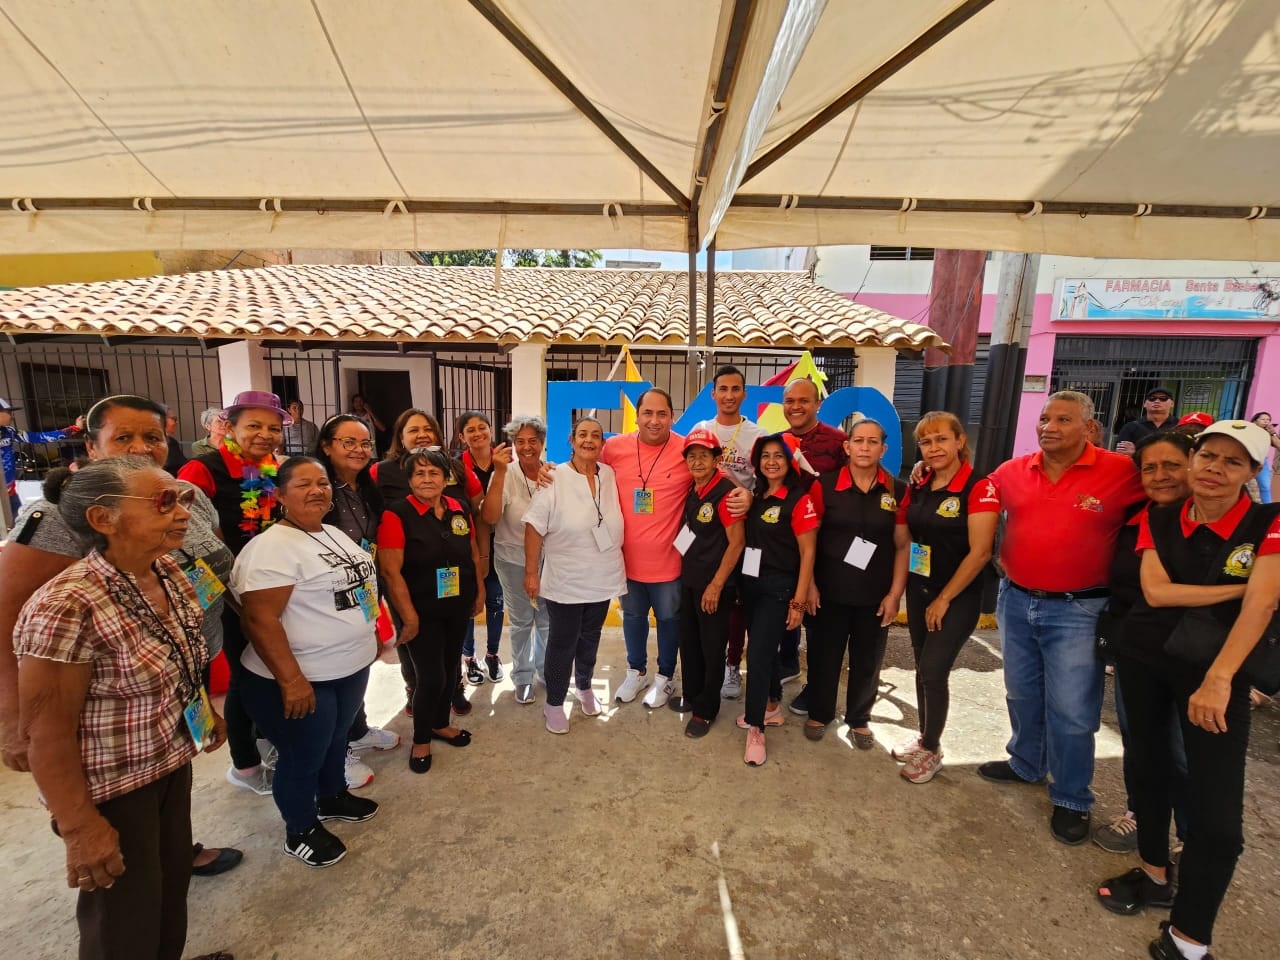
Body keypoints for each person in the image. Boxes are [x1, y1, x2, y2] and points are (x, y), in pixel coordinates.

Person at [0, 394, 242, 879]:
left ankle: (174, 852)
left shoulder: (185, 498)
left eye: (152, 437)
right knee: (120, 812)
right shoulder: (62, 516)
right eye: (123, 437)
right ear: (92, 447)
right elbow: (7, 615)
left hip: (176, 670)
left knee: (168, 788)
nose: (140, 447)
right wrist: (13, 720)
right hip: (108, 693)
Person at [15, 457, 231, 960]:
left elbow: (179, 655)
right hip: (113, 788)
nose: (183, 512)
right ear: (102, 518)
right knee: (125, 916)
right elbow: (46, 732)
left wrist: (204, 712)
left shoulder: (167, 571)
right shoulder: (66, 604)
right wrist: (79, 827)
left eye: (183, 499)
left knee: (170, 885)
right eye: (165, 501)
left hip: (168, 762)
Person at [1096, 420, 1280, 960]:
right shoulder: (1159, 517)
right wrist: (1238, 589)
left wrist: (1220, 679)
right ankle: (1154, 873)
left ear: (1252, 471)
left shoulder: (1268, 522)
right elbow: (1155, 591)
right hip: (1144, 659)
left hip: (1216, 674)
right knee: (1147, 770)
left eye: (1233, 461)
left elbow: (1263, 605)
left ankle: (1189, 937)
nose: (1215, 469)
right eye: (1208, 456)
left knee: (1216, 811)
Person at [980, 390, 1145, 845]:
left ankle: (1072, 797)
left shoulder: (1121, 472)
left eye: (1063, 420)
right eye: (1044, 418)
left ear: (1089, 428)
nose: (1049, 427)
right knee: (1021, 692)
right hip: (1016, 600)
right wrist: (922, 469)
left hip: (1080, 608)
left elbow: (1166, 497)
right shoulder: (1014, 471)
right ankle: (1026, 763)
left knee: (1072, 711)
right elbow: (975, 489)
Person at [232, 456, 381, 867]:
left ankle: (331, 796)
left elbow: (359, 588)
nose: (317, 491)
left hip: (348, 666)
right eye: (303, 484)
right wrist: (291, 680)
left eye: (322, 483)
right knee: (304, 754)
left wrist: (372, 633)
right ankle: (299, 829)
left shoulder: (332, 533)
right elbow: (259, 620)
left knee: (335, 739)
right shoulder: (271, 549)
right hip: (302, 675)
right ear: (280, 495)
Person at [179, 390, 291, 794]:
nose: (265, 435)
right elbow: (190, 540)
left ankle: (265, 741)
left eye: (273, 428)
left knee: (270, 669)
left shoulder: (272, 467)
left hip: (269, 584)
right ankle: (244, 765)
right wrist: (229, 594)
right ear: (229, 427)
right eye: (254, 426)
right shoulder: (202, 470)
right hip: (227, 593)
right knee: (246, 676)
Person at [1093, 432, 1194, 854]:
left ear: (1194, 464)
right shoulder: (1136, 515)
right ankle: (1141, 816)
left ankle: (1190, 837)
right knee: (1139, 742)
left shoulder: (1212, 522)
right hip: (1135, 650)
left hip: (1193, 656)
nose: (1160, 475)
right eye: (1149, 468)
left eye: (1171, 465)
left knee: (1185, 751)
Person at [894, 412, 1000, 783]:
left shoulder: (979, 487)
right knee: (922, 667)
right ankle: (925, 736)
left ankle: (932, 749)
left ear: (959, 441)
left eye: (941, 439)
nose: (933, 447)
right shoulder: (921, 482)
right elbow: (909, 533)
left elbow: (981, 552)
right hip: (920, 588)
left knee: (934, 669)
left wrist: (944, 599)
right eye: (926, 441)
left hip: (957, 597)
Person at [803, 420, 909, 749]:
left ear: (883, 449)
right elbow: (809, 540)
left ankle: (859, 718)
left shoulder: (897, 491)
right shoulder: (824, 486)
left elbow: (902, 545)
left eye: (872, 442)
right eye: (858, 441)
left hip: (874, 594)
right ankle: (820, 712)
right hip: (829, 592)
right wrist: (810, 585)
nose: (865, 447)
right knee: (824, 656)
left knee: (867, 661)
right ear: (847, 447)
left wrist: (895, 594)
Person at [378, 448, 484, 773]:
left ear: (445, 478)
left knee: (450, 670)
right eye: (419, 473)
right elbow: (390, 571)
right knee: (431, 677)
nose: (427, 479)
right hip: (419, 609)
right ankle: (421, 739)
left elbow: (472, 551)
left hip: (457, 603)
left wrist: (479, 591)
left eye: (434, 473)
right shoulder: (396, 514)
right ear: (409, 480)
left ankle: (440, 724)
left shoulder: (458, 508)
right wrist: (408, 616)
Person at [370, 408, 482, 718]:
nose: (422, 435)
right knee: (411, 637)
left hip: (451, 571)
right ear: (401, 437)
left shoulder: (454, 467)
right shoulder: (381, 471)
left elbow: (475, 508)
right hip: (406, 574)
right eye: (413, 430)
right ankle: (415, 690)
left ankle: (452, 688)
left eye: (427, 429)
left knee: (450, 639)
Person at [523, 417, 626, 734]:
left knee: (591, 638)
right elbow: (534, 527)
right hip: (566, 580)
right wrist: (531, 572)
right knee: (562, 642)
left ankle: (584, 687)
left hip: (601, 577)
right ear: (571, 440)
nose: (589, 440)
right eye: (582, 434)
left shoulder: (608, 474)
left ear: (603, 443)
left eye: (595, 435)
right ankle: (554, 702)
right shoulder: (554, 477)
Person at [313, 415, 400, 759]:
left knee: (359, 661)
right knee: (334, 671)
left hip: (364, 588)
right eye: (348, 442)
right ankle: (337, 753)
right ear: (326, 446)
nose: (359, 450)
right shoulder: (319, 488)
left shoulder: (366, 489)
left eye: (365, 443)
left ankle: (357, 729)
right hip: (327, 594)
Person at [602, 388, 690, 709]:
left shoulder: (686, 449)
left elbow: (714, 482)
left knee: (669, 620)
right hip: (627, 561)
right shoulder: (614, 448)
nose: (654, 420)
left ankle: (665, 676)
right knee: (633, 617)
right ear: (636, 417)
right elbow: (583, 469)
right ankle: (636, 671)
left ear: (672, 416)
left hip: (669, 562)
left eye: (662, 413)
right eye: (647, 413)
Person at [738, 434, 819, 766]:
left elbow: (808, 552)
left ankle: (756, 727)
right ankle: (772, 706)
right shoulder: (757, 495)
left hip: (778, 589)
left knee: (757, 656)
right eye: (765, 456)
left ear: (790, 462)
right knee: (763, 649)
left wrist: (798, 601)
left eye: (778, 456)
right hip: (750, 585)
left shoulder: (799, 500)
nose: (771, 462)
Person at [693, 365, 765, 701]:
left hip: (741, 527)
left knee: (737, 602)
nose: (729, 395)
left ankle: (733, 664)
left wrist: (750, 495)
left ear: (744, 394)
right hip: (707, 532)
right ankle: (708, 664)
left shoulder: (757, 435)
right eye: (723, 389)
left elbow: (768, 482)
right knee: (706, 598)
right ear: (713, 394)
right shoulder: (701, 429)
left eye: (735, 389)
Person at [668, 428, 744, 737]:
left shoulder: (726, 492)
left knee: (712, 649)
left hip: (714, 586)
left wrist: (716, 585)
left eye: (704, 456)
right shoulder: (694, 488)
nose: (697, 462)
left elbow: (737, 543)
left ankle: (706, 710)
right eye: (692, 456)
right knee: (689, 643)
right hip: (690, 580)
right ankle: (692, 694)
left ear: (716, 459)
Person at [780, 377, 847, 715]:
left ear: (818, 404)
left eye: (803, 400)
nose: (796, 406)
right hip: (784, 542)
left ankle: (817, 687)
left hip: (824, 544)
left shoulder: (839, 443)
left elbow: (863, 477)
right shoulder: (778, 442)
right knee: (784, 607)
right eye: (790, 401)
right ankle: (788, 662)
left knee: (818, 620)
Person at [479, 415, 551, 705]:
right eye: (519, 441)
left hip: (548, 561)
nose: (526, 447)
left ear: (542, 442)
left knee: (546, 621)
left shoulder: (552, 472)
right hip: (512, 559)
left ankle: (546, 671)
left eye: (533, 440)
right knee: (522, 621)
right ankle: (522, 677)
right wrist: (497, 473)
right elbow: (490, 516)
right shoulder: (505, 473)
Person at [456, 410, 506, 685]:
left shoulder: (506, 462)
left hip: (502, 543)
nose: (478, 433)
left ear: (490, 430)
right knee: (469, 602)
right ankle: (469, 657)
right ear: (461, 437)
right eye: (470, 430)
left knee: (496, 601)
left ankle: (493, 654)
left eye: (482, 427)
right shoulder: (455, 469)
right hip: (468, 544)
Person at [0, 397, 81, 517]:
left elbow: (39, 437)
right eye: (8, 412)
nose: (12, 416)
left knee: (16, 524)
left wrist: (73, 429)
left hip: (9, 492)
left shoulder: (10, 432)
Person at [1116, 387, 1176, 455]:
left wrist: (1136, 452)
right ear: (1144, 404)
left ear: (1172, 403)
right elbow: (1121, 453)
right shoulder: (1130, 427)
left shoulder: (1179, 426)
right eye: (1152, 398)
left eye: (1163, 398)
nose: (1157, 401)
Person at [1248, 412, 1279, 503]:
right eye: (1263, 419)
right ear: (1255, 421)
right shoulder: (1248, 430)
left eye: (1268, 420)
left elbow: (1278, 445)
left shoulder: (1268, 433)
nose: (1266, 421)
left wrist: (1273, 433)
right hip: (1247, 460)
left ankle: (1268, 507)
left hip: (1262, 462)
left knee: (1265, 487)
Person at [162, 407, 188, 475]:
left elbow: (183, 463)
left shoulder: (173, 442)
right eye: (174, 419)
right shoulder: (152, 443)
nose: (176, 422)